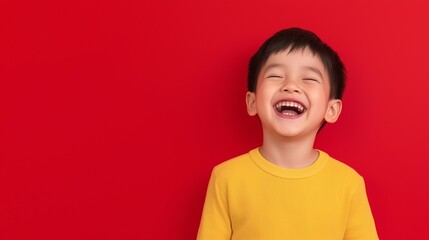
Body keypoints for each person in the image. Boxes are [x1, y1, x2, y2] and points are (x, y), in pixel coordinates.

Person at [196, 28, 378, 240]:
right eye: (275, 75)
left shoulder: (349, 183)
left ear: (332, 109)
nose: (291, 86)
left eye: (309, 79)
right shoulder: (226, 178)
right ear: (252, 102)